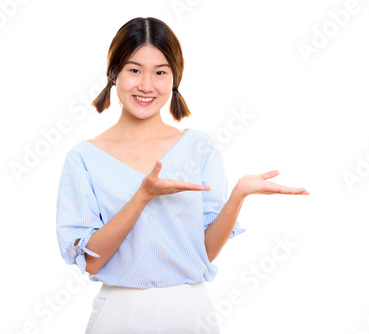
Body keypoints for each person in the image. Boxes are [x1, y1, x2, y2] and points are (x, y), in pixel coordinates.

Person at [55, 17, 310, 334]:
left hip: (191, 312)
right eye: (134, 70)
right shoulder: (84, 158)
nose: (147, 85)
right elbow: (91, 261)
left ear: (174, 78)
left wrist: (238, 195)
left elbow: (203, 251)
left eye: (160, 72)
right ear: (114, 74)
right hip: (120, 314)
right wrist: (142, 196)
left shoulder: (199, 148)